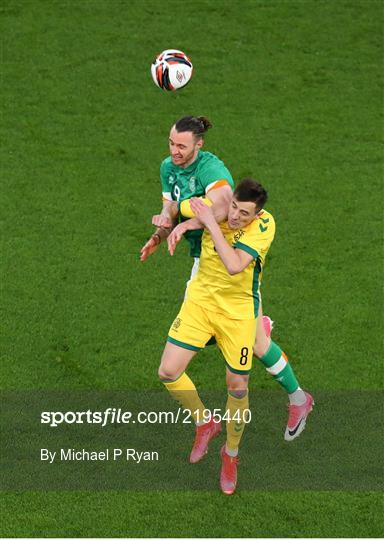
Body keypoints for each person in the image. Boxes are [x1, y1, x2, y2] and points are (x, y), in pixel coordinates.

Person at [140, 116, 313, 441]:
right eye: (171, 144)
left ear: (198, 145)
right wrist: (161, 231)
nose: (174, 152)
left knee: (217, 337)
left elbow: (219, 207)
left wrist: (182, 214)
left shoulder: (212, 172)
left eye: (181, 146)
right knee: (257, 343)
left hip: (225, 272)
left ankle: (255, 353)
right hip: (205, 263)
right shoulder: (168, 167)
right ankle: (299, 398)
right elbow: (169, 209)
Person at [159, 179, 275, 495]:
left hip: (237, 313)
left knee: (237, 386)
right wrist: (174, 221)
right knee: (168, 371)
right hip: (201, 302)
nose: (236, 216)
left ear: (258, 214)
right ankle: (205, 422)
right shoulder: (223, 204)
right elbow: (182, 205)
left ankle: (231, 454)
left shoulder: (264, 226)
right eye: (234, 207)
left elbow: (235, 265)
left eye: (245, 213)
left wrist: (209, 223)